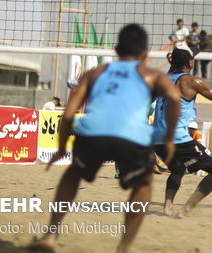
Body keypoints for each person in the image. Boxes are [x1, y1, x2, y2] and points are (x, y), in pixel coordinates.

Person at [29, 24, 181, 253]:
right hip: (133, 138)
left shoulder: (95, 73)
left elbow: (69, 113)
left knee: (72, 174)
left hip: (93, 135)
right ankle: (124, 247)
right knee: (144, 184)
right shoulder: (151, 74)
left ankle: (50, 236)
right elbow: (174, 98)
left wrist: (61, 148)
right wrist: (168, 138)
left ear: (116, 49)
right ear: (145, 54)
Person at [152, 46, 212, 217]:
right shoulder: (191, 82)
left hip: (157, 140)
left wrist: (172, 66)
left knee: (178, 169)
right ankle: (186, 209)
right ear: (190, 63)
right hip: (176, 139)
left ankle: (167, 206)